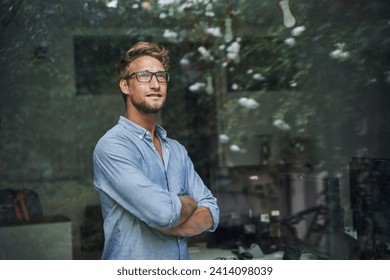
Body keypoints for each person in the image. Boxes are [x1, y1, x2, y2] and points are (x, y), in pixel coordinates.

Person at [92, 41, 219, 260]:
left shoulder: (177, 151)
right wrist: (188, 202)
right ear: (125, 86)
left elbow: (212, 211)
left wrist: (172, 225)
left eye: (161, 76)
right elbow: (162, 213)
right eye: (144, 76)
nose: (155, 84)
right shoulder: (112, 147)